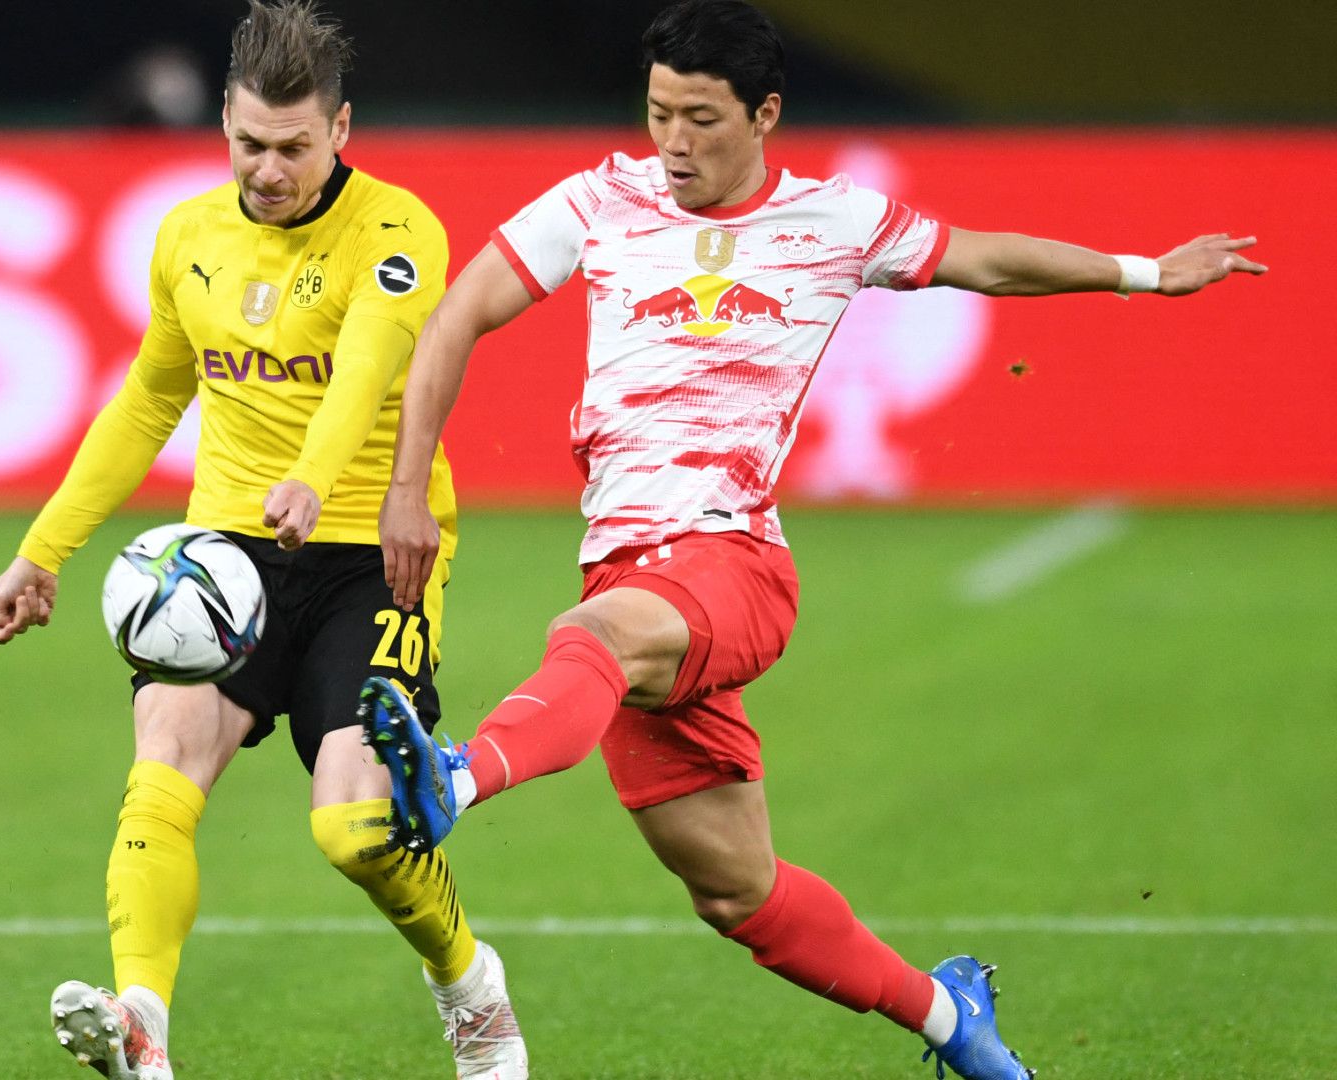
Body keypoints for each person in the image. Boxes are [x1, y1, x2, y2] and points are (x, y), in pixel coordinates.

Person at [361, 2, 1266, 1079]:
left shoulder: (834, 223)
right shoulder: (600, 200)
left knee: (592, 637)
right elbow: (457, 313)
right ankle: (952, 1018)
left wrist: (1146, 271)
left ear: (765, 115)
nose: (674, 142)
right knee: (736, 893)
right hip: (630, 572)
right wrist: (406, 489)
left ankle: (456, 780)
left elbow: (983, 261)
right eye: (658, 113)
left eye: (701, 118)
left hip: (731, 564)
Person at [0, 3, 528, 1078]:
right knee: (162, 767)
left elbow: (367, 367)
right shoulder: (188, 235)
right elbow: (151, 397)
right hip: (229, 557)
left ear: (341, 130)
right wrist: (43, 550)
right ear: (224, 125)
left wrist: (311, 480)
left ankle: (469, 986)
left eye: (293, 147)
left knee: (353, 832)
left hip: (374, 558)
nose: (268, 171)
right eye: (249, 145)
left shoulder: (396, 231)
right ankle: (141, 1021)